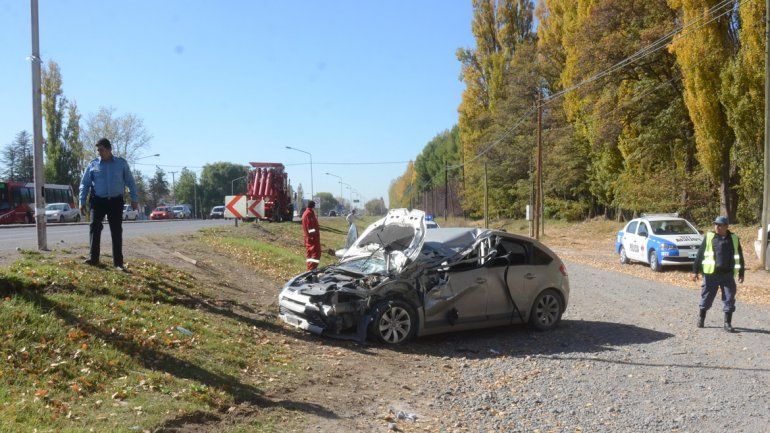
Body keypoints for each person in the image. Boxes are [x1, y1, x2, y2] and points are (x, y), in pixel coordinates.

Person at [79, 138, 138, 271]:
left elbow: (130, 182)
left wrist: (134, 199)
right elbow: (85, 183)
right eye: (98, 150)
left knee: (116, 230)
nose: (99, 152)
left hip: (115, 202)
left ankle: (118, 263)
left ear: (109, 149)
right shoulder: (93, 165)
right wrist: (82, 201)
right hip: (97, 201)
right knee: (94, 226)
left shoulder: (121, 164)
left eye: (102, 150)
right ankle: (94, 259)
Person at [691, 215, 744, 332]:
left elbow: (739, 256)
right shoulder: (710, 237)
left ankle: (727, 324)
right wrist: (695, 271)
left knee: (729, 298)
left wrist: (741, 272)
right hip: (711, 274)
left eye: (719, 225)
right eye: (715, 224)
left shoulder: (734, 238)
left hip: (728, 275)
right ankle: (701, 317)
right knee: (707, 297)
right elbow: (700, 254)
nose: (717, 227)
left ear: (726, 226)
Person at [301, 200, 321, 270]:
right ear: (313, 206)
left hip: (310, 239)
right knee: (315, 254)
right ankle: (311, 270)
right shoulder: (309, 214)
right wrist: (314, 235)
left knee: (310, 255)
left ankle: (311, 269)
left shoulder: (308, 213)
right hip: (312, 239)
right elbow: (310, 228)